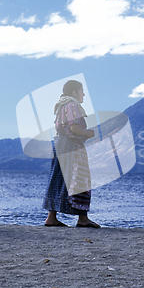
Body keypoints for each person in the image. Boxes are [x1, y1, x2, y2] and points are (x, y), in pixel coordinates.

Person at [43, 80, 100, 228]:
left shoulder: (62, 105)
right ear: (74, 92)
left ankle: (52, 217)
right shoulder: (72, 105)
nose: (84, 94)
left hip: (61, 144)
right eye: (82, 91)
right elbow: (74, 127)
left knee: (59, 179)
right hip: (71, 146)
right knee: (79, 179)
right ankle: (82, 218)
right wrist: (87, 132)